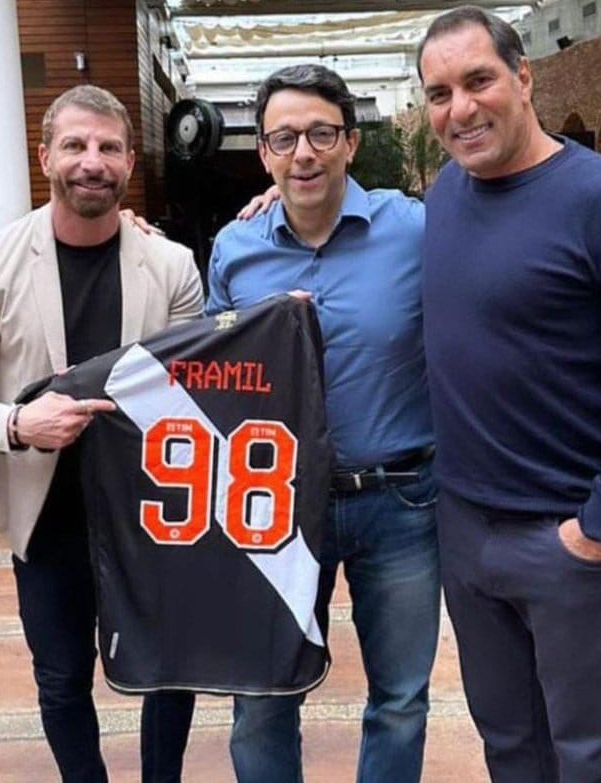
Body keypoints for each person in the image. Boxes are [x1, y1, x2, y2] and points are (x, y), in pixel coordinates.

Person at [417, 8, 601, 782]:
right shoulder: (445, 197)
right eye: (439, 93)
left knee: (592, 760)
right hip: (466, 534)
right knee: (511, 748)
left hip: (575, 540)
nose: (461, 108)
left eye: (478, 80)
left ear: (524, 76)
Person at [142, 64, 439, 783]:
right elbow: (215, 374)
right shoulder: (237, 247)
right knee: (261, 697)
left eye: (320, 134)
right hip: (272, 503)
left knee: (401, 698)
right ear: (264, 153)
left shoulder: (415, 229)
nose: (303, 152)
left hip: (399, 501)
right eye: (284, 138)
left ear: (350, 142)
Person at [0, 85, 203, 783]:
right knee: (61, 677)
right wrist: (16, 423)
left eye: (109, 147)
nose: (92, 161)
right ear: (44, 156)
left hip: (154, 512)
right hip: (47, 516)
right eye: (75, 145)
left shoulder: (171, 266)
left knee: (170, 671)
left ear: (129, 162)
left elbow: (196, 394)